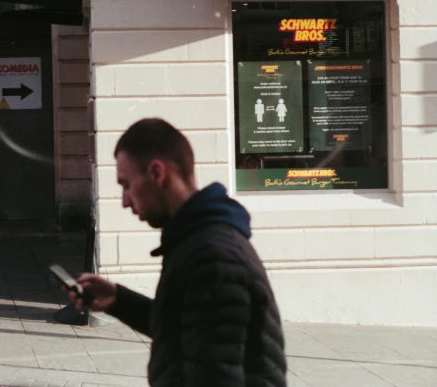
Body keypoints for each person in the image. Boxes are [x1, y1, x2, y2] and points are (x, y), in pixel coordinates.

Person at [67, 118, 287, 386]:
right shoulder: (196, 240)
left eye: (126, 185)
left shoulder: (212, 255)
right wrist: (118, 300)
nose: (124, 201)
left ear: (157, 173)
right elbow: (188, 329)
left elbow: (216, 377)